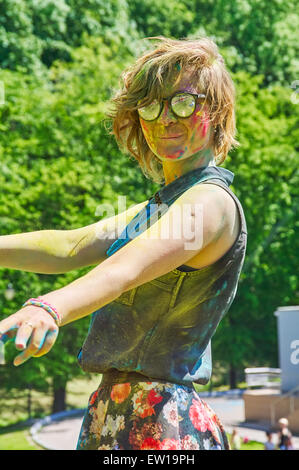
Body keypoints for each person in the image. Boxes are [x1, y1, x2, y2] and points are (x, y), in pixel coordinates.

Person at [0, 36, 247, 450]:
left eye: (183, 102)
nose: (166, 118)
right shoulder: (162, 207)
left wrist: (47, 307)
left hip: (162, 422)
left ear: (216, 111)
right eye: (151, 105)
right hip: (114, 413)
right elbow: (70, 247)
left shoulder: (209, 204)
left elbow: (123, 270)